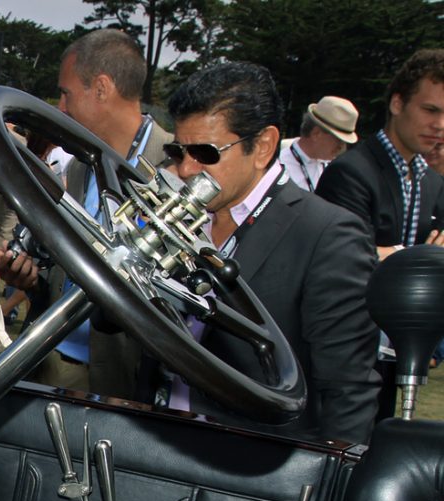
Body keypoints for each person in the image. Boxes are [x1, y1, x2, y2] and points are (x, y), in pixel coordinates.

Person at [155, 61, 379, 445]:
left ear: (262, 146)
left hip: (255, 472)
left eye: (206, 153)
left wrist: (330, 492)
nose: (188, 169)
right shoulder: (176, 216)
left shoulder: (328, 235)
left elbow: (347, 391)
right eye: (178, 150)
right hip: (157, 445)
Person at [16, 28, 174, 398]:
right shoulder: (79, 166)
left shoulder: (173, 167)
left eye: (67, 93)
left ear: (101, 88)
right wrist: (31, 278)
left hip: (125, 379)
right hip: (54, 357)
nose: (61, 107)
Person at [318, 49, 444, 259]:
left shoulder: (432, 181)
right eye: (430, 110)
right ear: (397, 104)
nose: (440, 125)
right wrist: (422, 255)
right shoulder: (349, 173)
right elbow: (346, 258)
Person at [276, 95, 358, 191]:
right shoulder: (279, 167)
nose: (341, 147)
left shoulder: (333, 168)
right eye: (338, 140)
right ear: (316, 133)